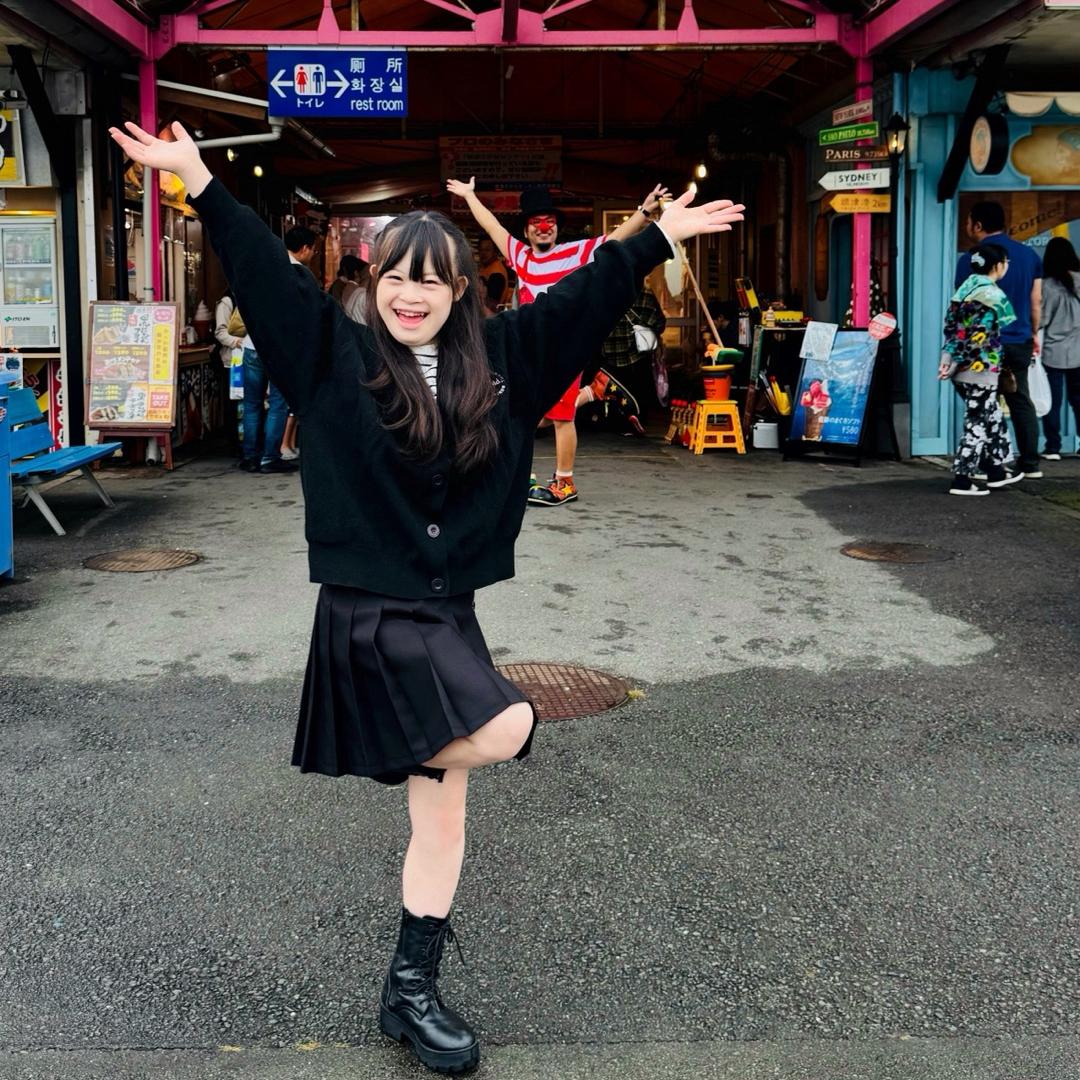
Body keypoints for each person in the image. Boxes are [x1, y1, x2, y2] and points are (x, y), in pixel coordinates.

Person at [110, 119, 743, 1076]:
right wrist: (200, 179)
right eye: (396, 277)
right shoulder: (331, 356)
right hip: (369, 613)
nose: (412, 295)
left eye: (433, 280)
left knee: (442, 819)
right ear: (374, 284)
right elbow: (265, 275)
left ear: (460, 291)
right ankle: (375, 738)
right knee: (510, 725)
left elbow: (580, 301)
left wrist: (653, 238)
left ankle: (409, 992)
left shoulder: (505, 362)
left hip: (449, 612)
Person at [449, 177, 670, 507]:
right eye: (536, 222)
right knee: (525, 411)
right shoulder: (519, 255)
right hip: (529, 351)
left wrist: (644, 212)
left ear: (556, 227)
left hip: (564, 348)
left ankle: (565, 482)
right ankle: (590, 396)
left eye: (549, 221)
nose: (543, 227)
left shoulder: (575, 252)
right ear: (527, 231)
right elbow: (491, 225)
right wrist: (469, 195)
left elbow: (616, 238)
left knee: (562, 417)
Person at [956, 202, 1044, 478]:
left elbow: (965, 305)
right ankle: (1029, 463)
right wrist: (1033, 332)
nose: (967, 226)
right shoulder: (1029, 256)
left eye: (968, 221)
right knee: (1020, 399)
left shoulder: (970, 259)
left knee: (981, 401)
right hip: (1018, 339)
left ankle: (988, 462)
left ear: (978, 225)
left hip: (983, 344)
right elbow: (1036, 302)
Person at [940, 243, 1023, 496]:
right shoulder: (993, 295)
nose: (1006, 266)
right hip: (981, 368)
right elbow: (984, 335)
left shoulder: (962, 291)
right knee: (976, 423)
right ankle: (962, 479)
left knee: (992, 416)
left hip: (961, 369)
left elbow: (952, 330)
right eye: (1006, 262)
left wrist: (948, 360)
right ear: (998, 265)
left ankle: (996, 470)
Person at [279, 227, 320, 462]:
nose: (313, 254)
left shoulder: (272, 264)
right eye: (313, 250)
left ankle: (257, 454)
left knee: (255, 405)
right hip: (288, 346)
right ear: (304, 248)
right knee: (283, 402)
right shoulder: (298, 273)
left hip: (254, 346)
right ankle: (280, 449)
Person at [1039, 236, 1080, 460]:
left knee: (1052, 402)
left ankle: (1053, 447)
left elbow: (1042, 320)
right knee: (1079, 400)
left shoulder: (1048, 286)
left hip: (1053, 352)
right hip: (1079, 351)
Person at [476, 236, 511, 316]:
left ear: (495, 252)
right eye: (481, 250)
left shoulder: (497, 274)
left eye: (487, 250)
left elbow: (492, 303)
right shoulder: (484, 267)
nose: (483, 253)